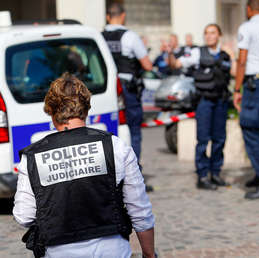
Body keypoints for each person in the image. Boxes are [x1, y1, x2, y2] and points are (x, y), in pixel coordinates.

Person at [13, 73, 155, 258]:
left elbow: (24, 216)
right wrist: (149, 254)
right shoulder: (115, 146)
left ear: (51, 111)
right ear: (86, 108)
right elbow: (141, 212)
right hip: (113, 251)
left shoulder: (33, 157)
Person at [168, 24, 234, 190]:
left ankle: (216, 173)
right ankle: (203, 176)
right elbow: (175, 64)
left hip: (221, 100)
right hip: (204, 101)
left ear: (219, 35)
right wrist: (170, 51)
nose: (209, 36)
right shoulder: (197, 53)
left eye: (213, 32)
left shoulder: (226, 54)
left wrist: (233, 55)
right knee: (203, 139)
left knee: (219, 139)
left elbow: (234, 72)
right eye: (206, 33)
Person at [101, 3, 154, 192]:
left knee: (109, 135)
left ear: (108, 17)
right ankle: (133, 178)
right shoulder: (130, 37)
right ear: (122, 16)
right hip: (127, 90)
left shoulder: (100, 37)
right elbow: (147, 65)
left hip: (105, 92)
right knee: (133, 133)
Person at [233, 0, 259, 199]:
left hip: (255, 83)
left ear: (249, 9)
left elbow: (242, 60)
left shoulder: (247, 27)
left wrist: (236, 89)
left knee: (250, 127)